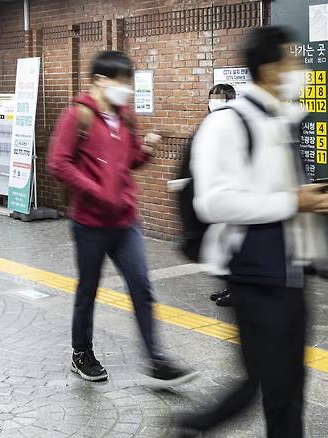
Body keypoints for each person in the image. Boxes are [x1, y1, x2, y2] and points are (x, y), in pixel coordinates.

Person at [176, 27, 328, 437]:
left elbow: (277, 193)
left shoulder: (280, 121)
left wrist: (312, 202)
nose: (301, 70)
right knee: (264, 384)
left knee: (284, 387)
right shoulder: (228, 124)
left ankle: (194, 427)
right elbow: (214, 202)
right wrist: (294, 201)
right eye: (294, 61)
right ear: (270, 68)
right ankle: (190, 427)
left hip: (290, 274)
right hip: (252, 274)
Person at [47, 51, 197, 386]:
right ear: (100, 80)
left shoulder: (125, 116)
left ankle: (156, 360)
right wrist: (96, 190)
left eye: (128, 80)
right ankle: (81, 352)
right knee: (89, 288)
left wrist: (146, 149)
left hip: (125, 220)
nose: (126, 88)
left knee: (141, 286)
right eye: (121, 80)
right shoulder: (78, 115)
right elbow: (58, 163)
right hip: (89, 223)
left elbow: (129, 161)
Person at [206, 83, 237, 307]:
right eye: (212, 97)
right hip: (218, 193)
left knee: (232, 246)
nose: (213, 102)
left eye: (219, 98)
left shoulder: (235, 123)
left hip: (232, 194)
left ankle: (236, 291)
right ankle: (229, 288)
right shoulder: (212, 121)